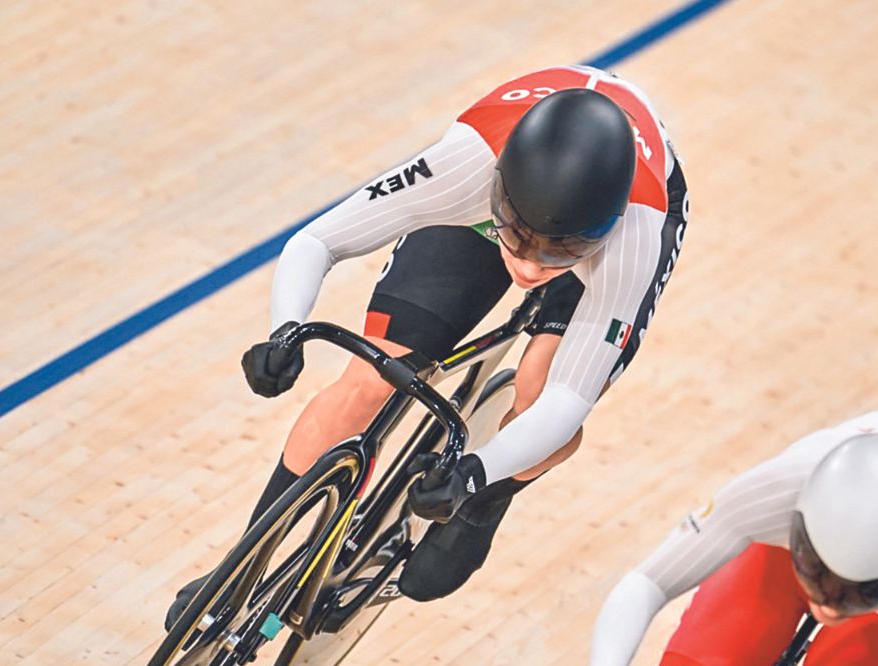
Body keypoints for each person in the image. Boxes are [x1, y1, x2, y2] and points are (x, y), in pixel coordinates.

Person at [166, 65, 690, 628]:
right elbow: (318, 241)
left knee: (540, 389)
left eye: (560, 253)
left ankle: (491, 503)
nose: (532, 267)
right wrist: (286, 328)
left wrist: (477, 476)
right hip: (485, 206)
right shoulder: (462, 166)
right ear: (497, 191)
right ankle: (243, 564)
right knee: (371, 378)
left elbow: (568, 402)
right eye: (516, 239)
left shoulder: (633, 236)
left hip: (620, 219)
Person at [570, 411, 878, 666]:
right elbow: (647, 582)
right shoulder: (774, 493)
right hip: (784, 557)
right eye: (820, 577)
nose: (831, 607)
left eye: (855, 594)